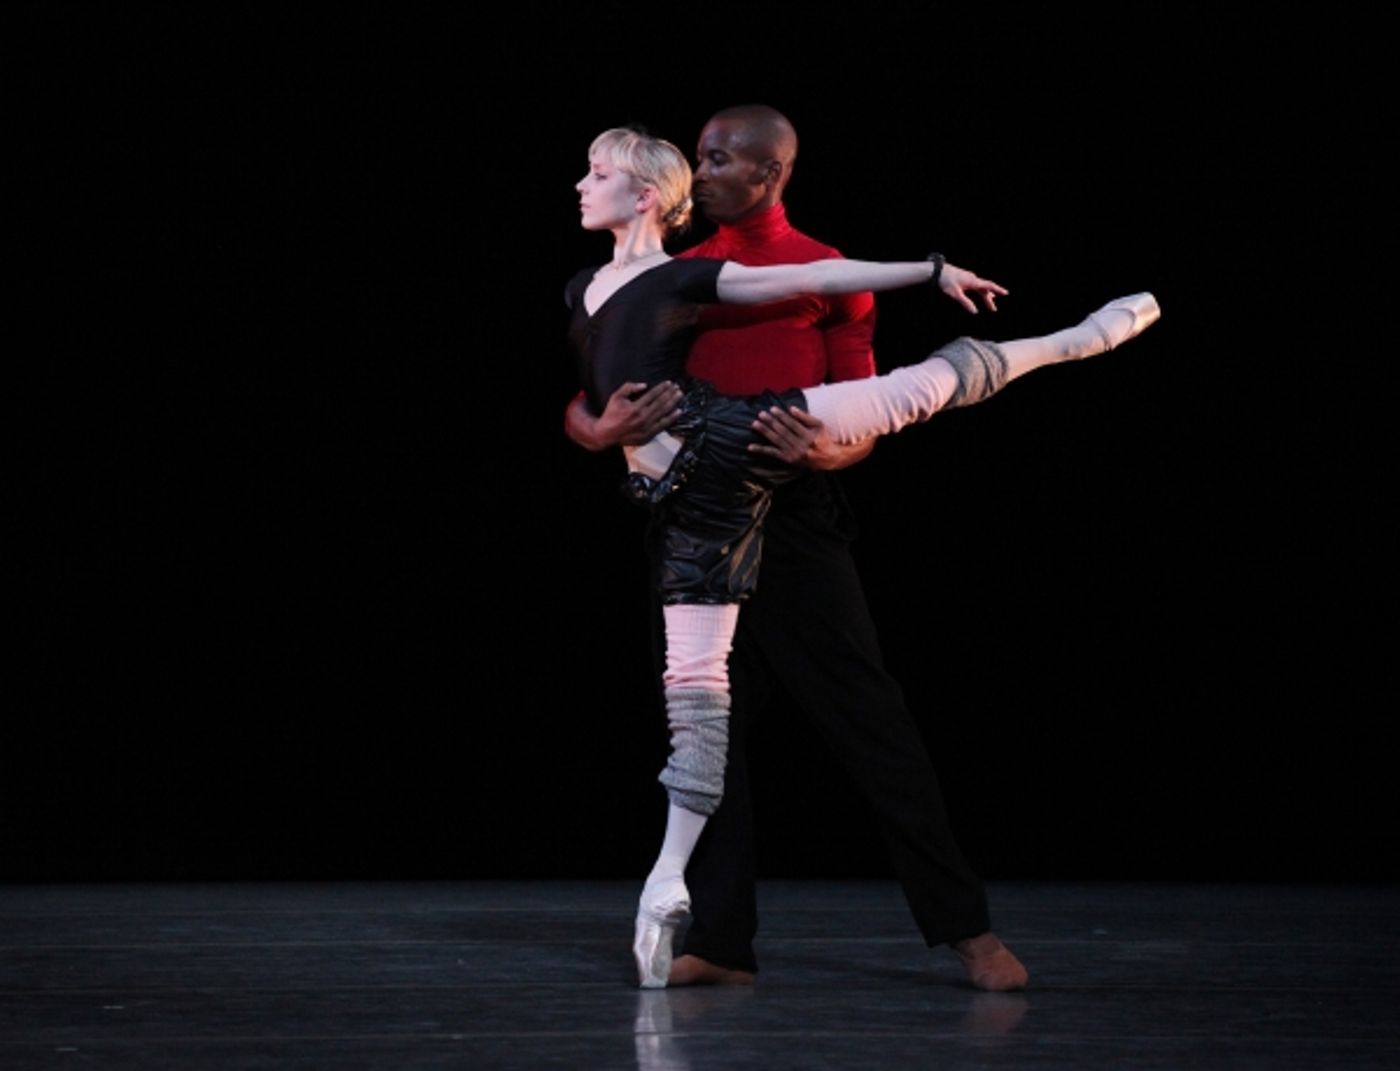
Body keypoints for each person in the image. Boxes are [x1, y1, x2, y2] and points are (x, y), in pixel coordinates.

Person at [562, 121, 1159, 990]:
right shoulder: (666, 266)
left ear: (772, 172)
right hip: (697, 506)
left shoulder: (817, 267)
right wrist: (598, 429)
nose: (705, 168)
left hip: (797, 504)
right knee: (707, 733)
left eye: (722, 158)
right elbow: (592, 389)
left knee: (869, 718)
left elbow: (860, 398)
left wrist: (825, 449)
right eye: (699, 154)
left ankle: (966, 930)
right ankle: (720, 941)